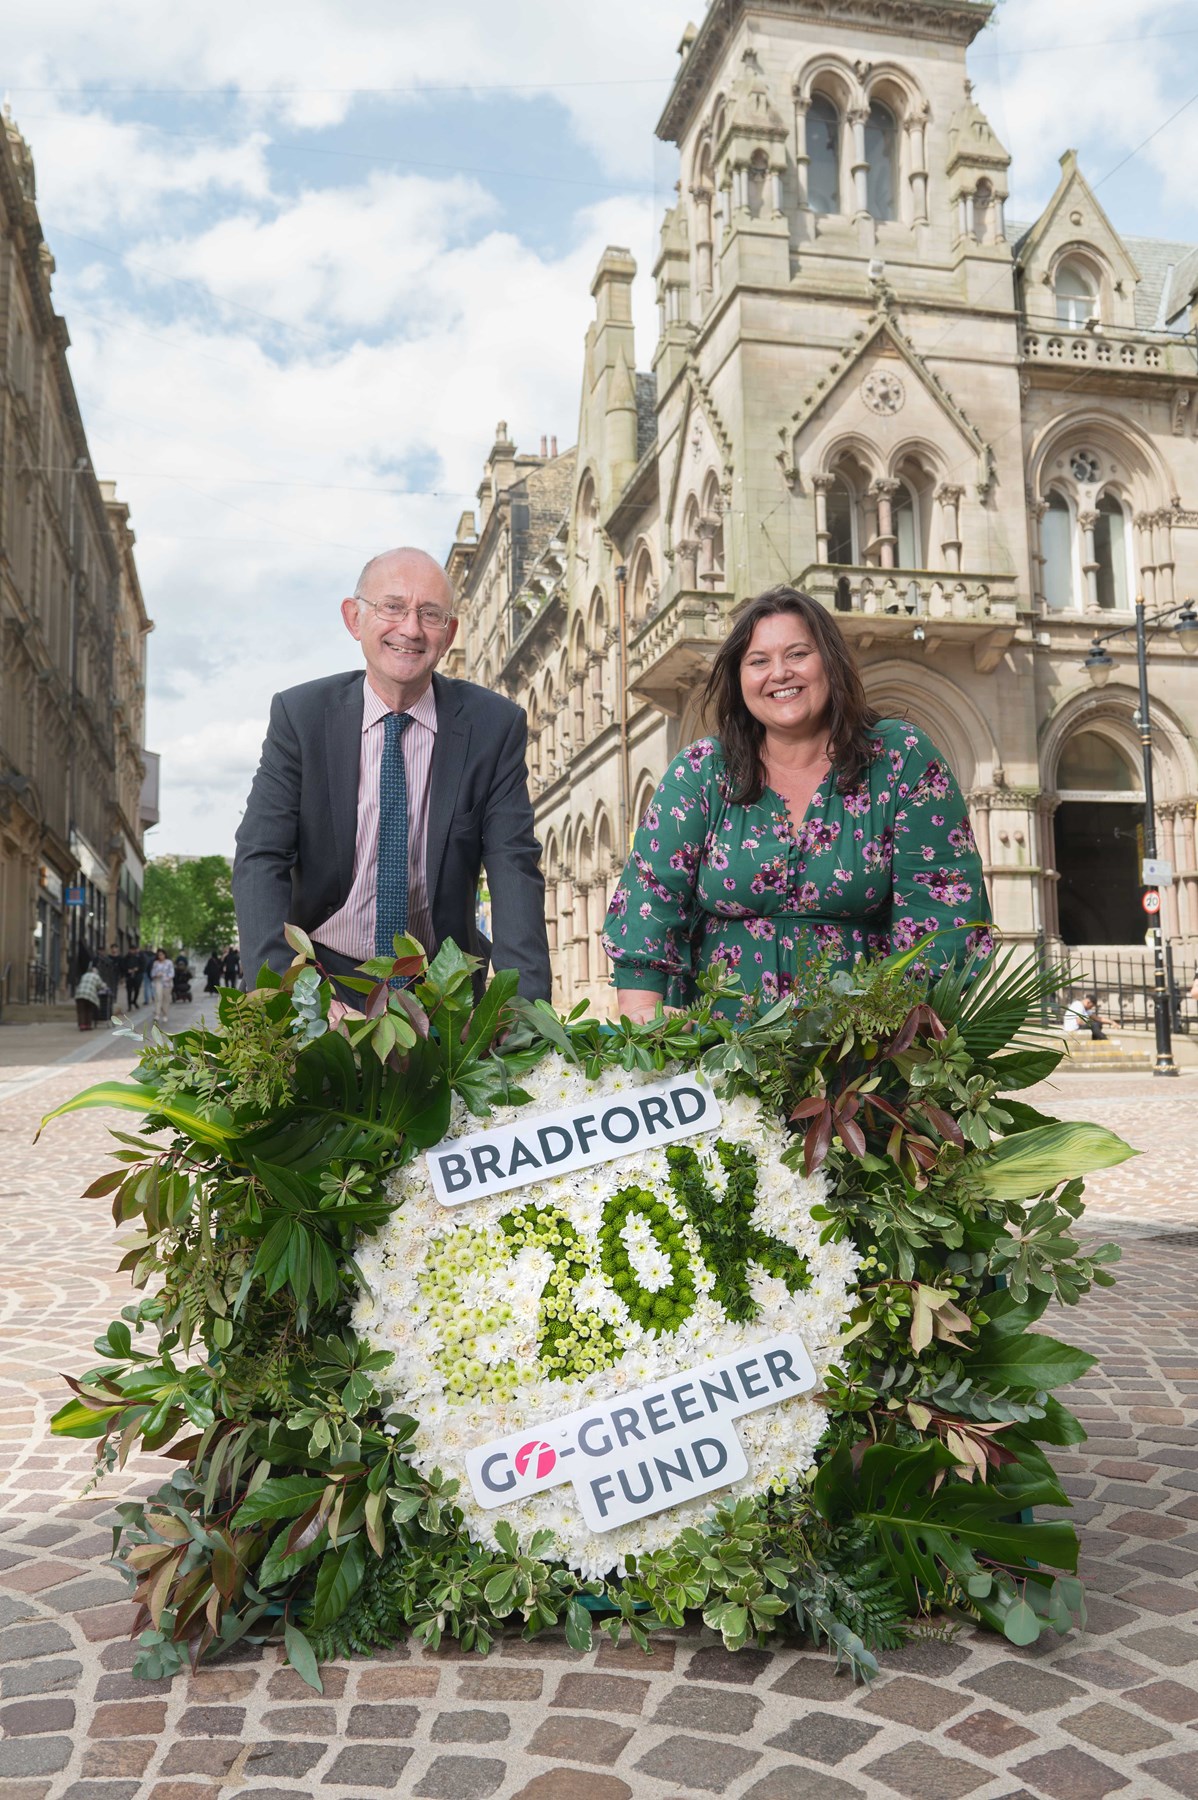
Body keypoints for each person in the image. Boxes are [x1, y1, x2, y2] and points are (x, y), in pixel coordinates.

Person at [604, 586, 992, 1020]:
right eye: (758, 661)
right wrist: (644, 1022)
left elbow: (942, 904)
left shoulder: (900, 758)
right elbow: (650, 895)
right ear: (739, 679)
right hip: (717, 1050)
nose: (779, 673)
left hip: (863, 1047)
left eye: (798, 654)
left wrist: (903, 1037)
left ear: (830, 662)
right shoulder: (702, 770)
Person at [233, 546, 551, 1002]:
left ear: (450, 633)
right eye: (393, 607)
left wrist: (523, 1012)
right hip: (323, 978)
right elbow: (260, 858)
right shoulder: (300, 717)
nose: (411, 628)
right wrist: (288, 999)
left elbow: (514, 867)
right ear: (354, 618)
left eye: (431, 614)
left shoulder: (494, 727)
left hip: (445, 988)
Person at [74, 961, 104, 1032]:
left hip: (79, 994)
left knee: (81, 1010)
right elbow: (101, 986)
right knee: (89, 1010)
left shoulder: (84, 975)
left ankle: (82, 1025)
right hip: (90, 996)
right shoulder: (96, 977)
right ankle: (88, 1025)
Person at [150, 947, 173, 1026]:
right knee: (158, 997)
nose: (160, 956)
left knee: (166, 999)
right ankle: (157, 1014)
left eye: (162, 954)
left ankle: (165, 1014)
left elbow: (172, 973)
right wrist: (157, 975)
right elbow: (152, 973)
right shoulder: (155, 963)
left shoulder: (169, 962)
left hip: (167, 983)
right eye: (159, 955)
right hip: (158, 982)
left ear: (165, 955)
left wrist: (167, 977)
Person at [123, 943, 143, 1011]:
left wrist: (138, 969)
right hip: (129, 976)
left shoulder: (139, 956)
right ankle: (129, 1005)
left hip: (137, 976)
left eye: (134, 950)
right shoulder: (126, 957)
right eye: (132, 950)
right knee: (129, 991)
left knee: (137, 990)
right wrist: (127, 970)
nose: (133, 951)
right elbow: (123, 966)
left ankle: (134, 1001)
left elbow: (143, 965)